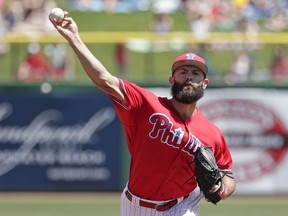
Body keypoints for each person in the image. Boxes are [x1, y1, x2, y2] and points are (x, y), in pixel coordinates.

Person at [49, 11, 236, 216]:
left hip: (182, 206)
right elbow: (104, 79)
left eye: (195, 73)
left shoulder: (212, 133)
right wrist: (73, 38)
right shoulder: (147, 104)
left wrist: (223, 188)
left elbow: (228, 175)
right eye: (182, 72)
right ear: (172, 80)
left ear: (204, 83)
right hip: (135, 206)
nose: (189, 77)